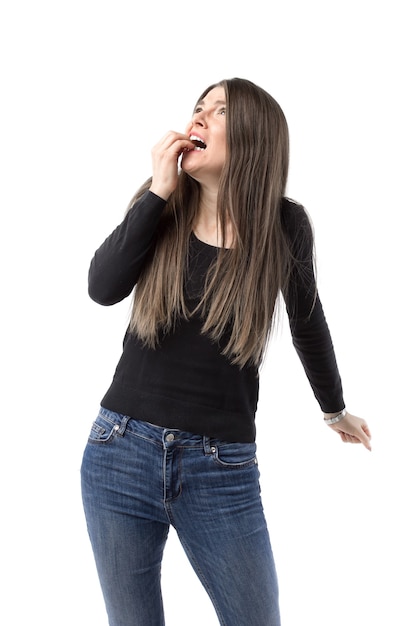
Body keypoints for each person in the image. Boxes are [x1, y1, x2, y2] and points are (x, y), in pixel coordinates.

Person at [81, 77, 372, 626]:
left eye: (219, 111)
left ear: (254, 140)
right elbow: (102, 287)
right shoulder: (160, 204)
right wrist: (157, 192)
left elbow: (309, 323)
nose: (199, 117)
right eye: (199, 107)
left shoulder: (284, 226)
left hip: (222, 468)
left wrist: (333, 408)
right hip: (119, 451)